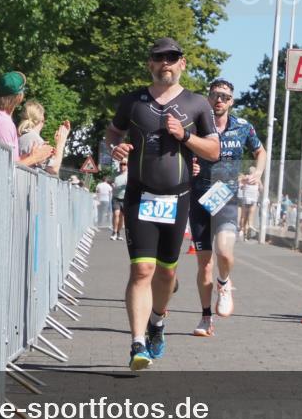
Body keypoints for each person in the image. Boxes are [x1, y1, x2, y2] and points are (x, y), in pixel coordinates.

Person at [105, 37, 219, 370]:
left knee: (166, 274)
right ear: (150, 64)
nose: (165, 63)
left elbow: (212, 150)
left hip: (178, 198)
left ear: (182, 63)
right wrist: (116, 147)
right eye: (159, 57)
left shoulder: (198, 104)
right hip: (140, 195)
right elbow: (113, 133)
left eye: (172, 57)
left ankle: (157, 321)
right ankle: (137, 344)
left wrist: (185, 136)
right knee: (142, 269)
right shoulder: (133, 101)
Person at [188, 78, 265, 337]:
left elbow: (260, 152)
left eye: (225, 96)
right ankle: (205, 318)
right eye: (215, 95)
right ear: (208, 98)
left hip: (226, 196)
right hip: (198, 197)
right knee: (204, 264)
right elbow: (181, 150)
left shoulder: (243, 127)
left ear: (231, 101)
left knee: (224, 252)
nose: (219, 100)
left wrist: (259, 173)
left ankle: (224, 282)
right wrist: (190, 165)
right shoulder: (196, 125)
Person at [0, 71, 55, 168]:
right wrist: (35, 158)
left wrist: (31, 155)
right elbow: (7, 168)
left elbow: (12, 160)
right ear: (19, 98)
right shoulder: (3, 123)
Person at [17, 100, 71, 175]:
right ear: (42, 119)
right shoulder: (35, 140)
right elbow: (54, 169)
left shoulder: (21, 136)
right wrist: (61, 142)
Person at [111, 160, 128, 240]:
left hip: (125, 198)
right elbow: (110, 181)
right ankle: (114, 232)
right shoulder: (115, 174)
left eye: (124, 164)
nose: (122, 166)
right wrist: (112, 184)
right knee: (116, 214)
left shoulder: (129, 175)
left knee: (122, 217)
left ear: (127, 166)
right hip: (116, 198)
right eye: (121, 164)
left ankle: (118, 232)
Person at [240, 175, 260, 240]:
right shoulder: (257, 179)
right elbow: (261, 188)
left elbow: (241, 186)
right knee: (250, 216)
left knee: (244, 217)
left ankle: (243, 232)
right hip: (253, 199)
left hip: (246, 198)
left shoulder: (246, 178)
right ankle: (250, 225)